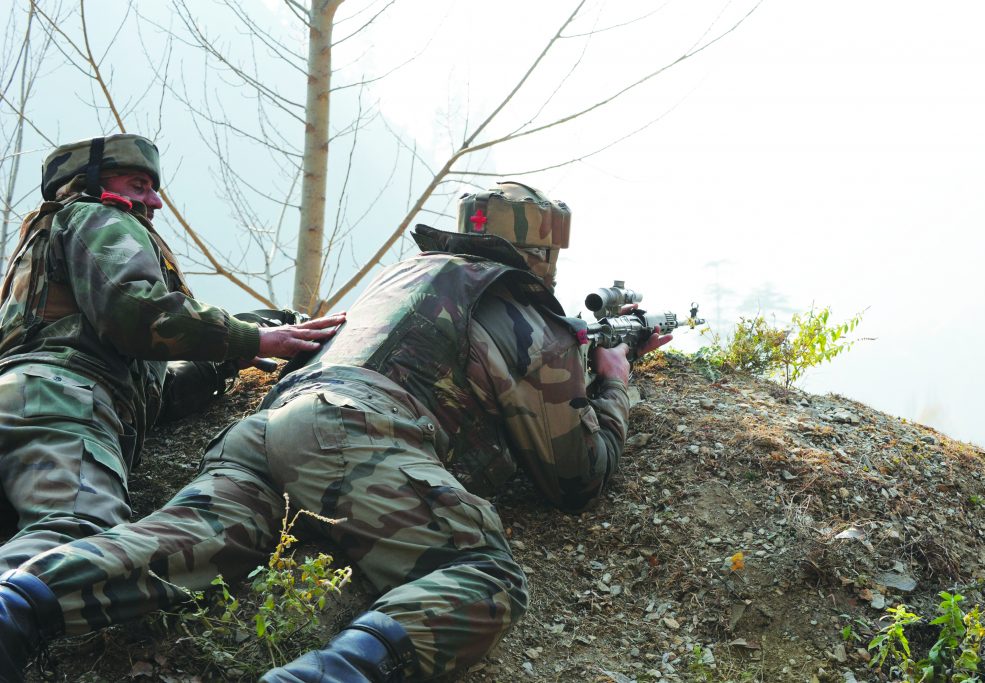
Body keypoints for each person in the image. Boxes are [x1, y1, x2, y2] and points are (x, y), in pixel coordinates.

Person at [0, 182, 670, 682]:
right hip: (356, 438)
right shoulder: (521, 312)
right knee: (484, 572)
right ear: (539, 254)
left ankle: (21, 601)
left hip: (266, 431)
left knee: (184, 544)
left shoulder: (400, 281)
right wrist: (612, 377)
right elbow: (579, 473)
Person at [0, 133, 343, 570]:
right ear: (93, 184)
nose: (155, 202)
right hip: (62, 403)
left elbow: (150, 393)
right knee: (72, 534)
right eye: (138, 186)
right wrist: (251, 338)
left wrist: (222, 362)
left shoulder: (52, 280)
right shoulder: (98, 215)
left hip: (29, 403)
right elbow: (140, 312)